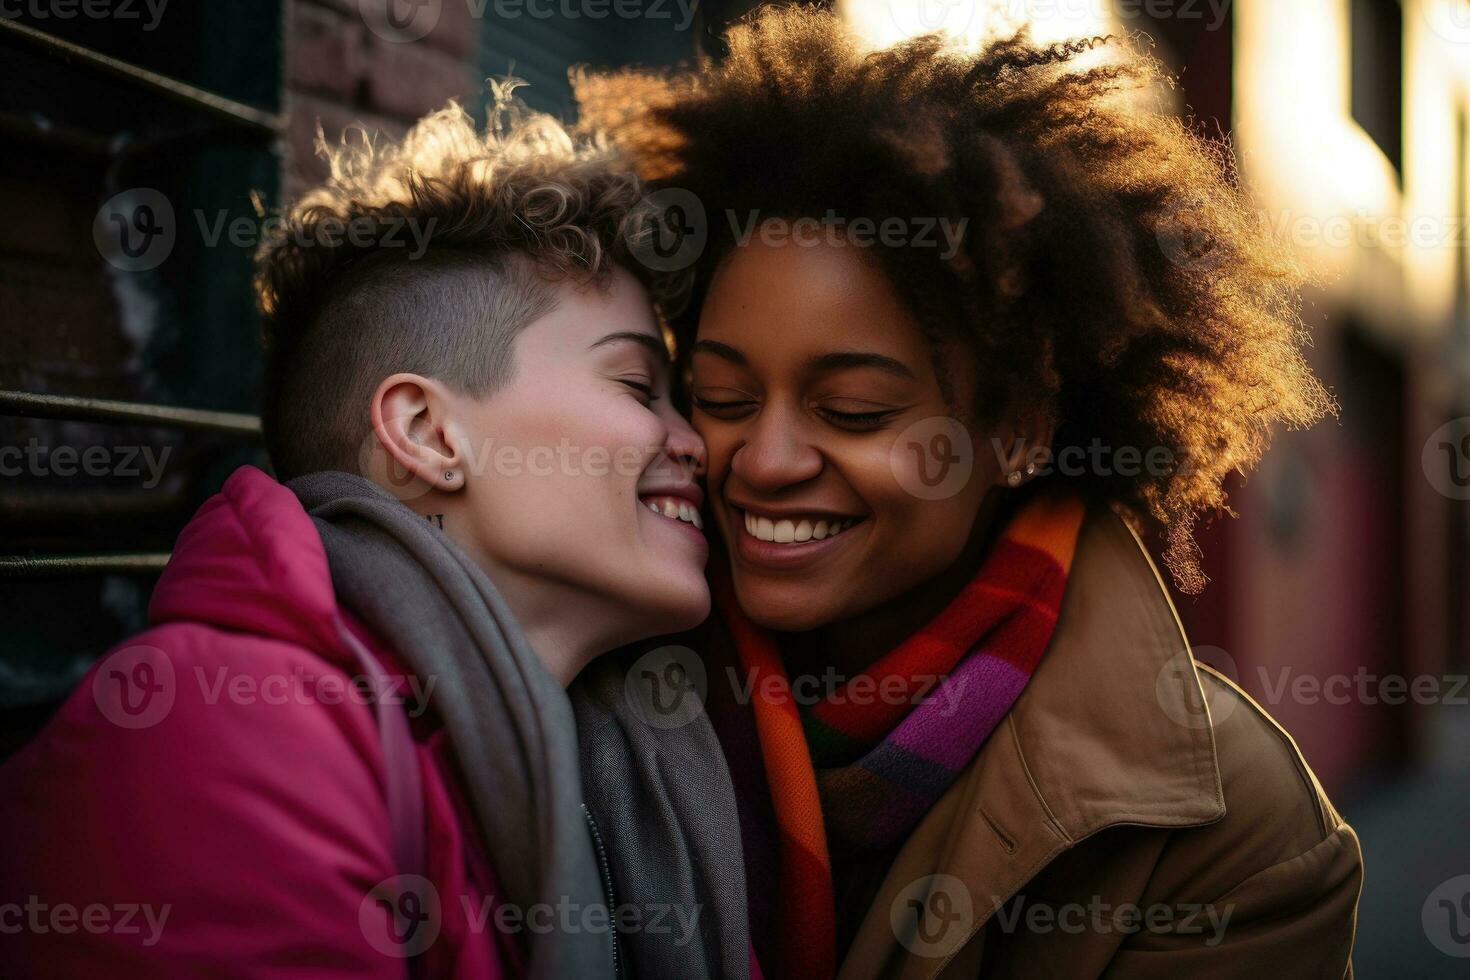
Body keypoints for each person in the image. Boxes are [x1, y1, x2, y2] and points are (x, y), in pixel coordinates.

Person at [579, 8, 1363, 977]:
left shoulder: (1230, 822)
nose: (764, 459)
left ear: (1021, 428)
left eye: (855, 409)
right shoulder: (596, 672)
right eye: (722, 396)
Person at [0, 98, 750, 979]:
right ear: (429, 434)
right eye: (636, 386)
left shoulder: (640, 759)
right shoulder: (226, 732)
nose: (695, 442)